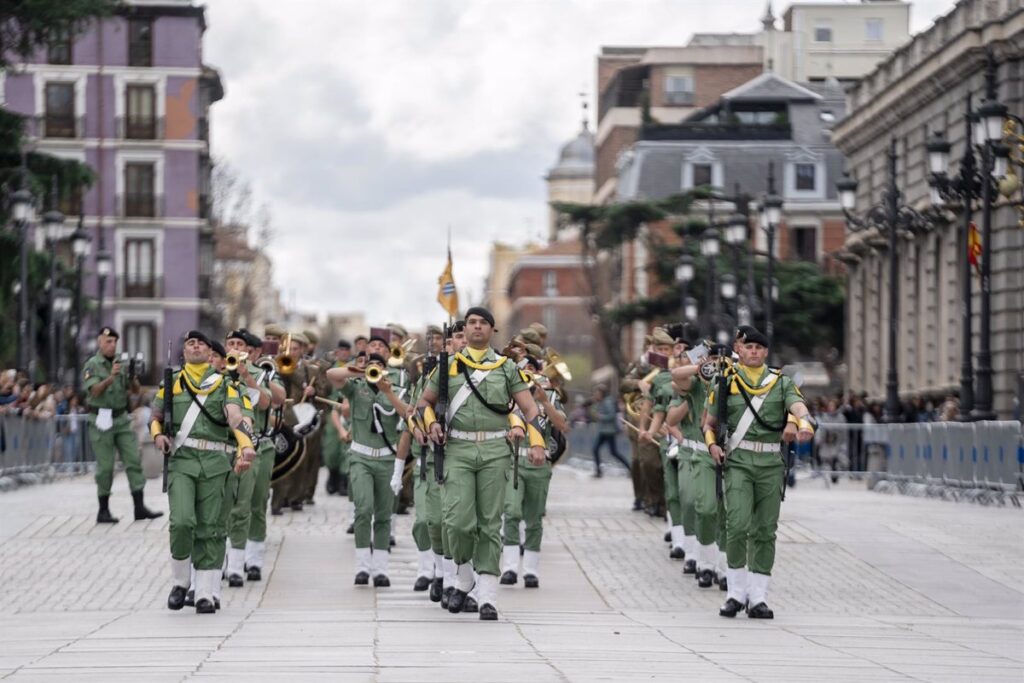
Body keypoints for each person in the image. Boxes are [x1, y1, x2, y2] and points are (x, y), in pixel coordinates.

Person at [416, 307, 546, 621]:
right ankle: (463, 577)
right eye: (471, 323)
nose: (476, 327)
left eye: (482, 323)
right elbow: (424, 403)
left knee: (490, 523)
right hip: (457, 447)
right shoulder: (448, 366)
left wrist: (538, 442)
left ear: (491, 330)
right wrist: (431, 424)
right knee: (458, 522)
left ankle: (487, 597)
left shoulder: (506, 368)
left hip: (494, 449)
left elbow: (529, 408)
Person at [703, 327, 814, 619]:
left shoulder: (780, 382)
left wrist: (802, 422)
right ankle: (735, 594)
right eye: (748, 346)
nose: (753, 351)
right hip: (738, 461)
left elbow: (798, 404)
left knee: (765, 530)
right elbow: (709, 423)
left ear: (765, 352)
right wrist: (712, 446)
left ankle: (758, 597)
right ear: (741, 350)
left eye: (758, 348)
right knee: (737, 525)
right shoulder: (726, 381)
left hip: (770, 464)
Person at [151, 331, 256, 614]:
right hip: (182, 461)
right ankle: (181, 581)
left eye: (200, 343)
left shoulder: (225, 384)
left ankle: (206, 593)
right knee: (183, 522)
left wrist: (245, 444)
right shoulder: (171, 383)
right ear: (184, 352)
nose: (194, 345)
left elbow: (236, 416)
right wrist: (158, 436)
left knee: (211, 527)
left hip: (214, 462)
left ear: (211, 354)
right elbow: (156, 417)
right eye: (189, 343)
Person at [326, 338, 412, 587]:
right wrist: (359, 370)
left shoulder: (394, 389)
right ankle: (363, 566)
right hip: (361, 457)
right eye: (370, 365)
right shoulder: (355, 387)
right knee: (363, 510)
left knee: (384, 515)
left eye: (377, 367)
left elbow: (406, 413)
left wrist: (388, 391)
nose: (373, 370)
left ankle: (381, 569)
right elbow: (332, 374)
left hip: (386, 459)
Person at [500, 354, 567, 588]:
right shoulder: (507, 393)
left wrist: (545, 403)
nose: (527, 371)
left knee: (534, 517)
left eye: (532, 368)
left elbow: (562, 426)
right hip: (513, 460)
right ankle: (509, 567)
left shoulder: (549, 395)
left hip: (539, 463)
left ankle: (530, 569)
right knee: (512, 511)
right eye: (523, 368)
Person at [82, 327, 161, 523]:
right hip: (100, 420)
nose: (112, 345)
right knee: (106, 466)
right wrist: (111, 377)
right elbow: (94, 392)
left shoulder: (121, 362)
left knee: (133, 460)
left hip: (121, 418)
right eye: (108, 341)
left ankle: (139, 507)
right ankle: (103, 510)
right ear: (100, 342)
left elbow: (135, 391)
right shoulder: (92, 365)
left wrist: (133, 376)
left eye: (114, 342)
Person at [591, 385, 628, 478]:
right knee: (609, 451)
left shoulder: (607, 402)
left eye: (597, 393)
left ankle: (599, 471)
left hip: (608, 431)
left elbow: (612, 415)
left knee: (609, 451)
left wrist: (600, 417)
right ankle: (598, 471)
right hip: (604, 430)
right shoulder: (602, 402)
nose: (596, 395)